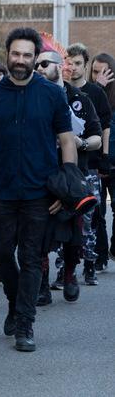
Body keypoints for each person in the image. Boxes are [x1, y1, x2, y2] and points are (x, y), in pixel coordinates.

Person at [0, 27, 77, 353]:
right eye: (16, 54)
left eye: (27, 55)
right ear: (7, 55)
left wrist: (66, 187)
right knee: (1, 253)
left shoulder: (51, 94)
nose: (20, 60)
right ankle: (15, 300)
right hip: (2, 192)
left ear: (35, 58)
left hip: (39, 193)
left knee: (32, 258)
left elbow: (66, 141)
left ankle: (25, 323)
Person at [33, 49, 100, 304]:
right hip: (41, 174)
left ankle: (70, 274)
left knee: (74, 235)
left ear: (60, 66)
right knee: (39, 233)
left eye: (44, 64)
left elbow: (96, 136)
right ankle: (42, 283)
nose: (39, 69)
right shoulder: (32, 97)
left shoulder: (80, 99)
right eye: (37, 65)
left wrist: (80, 143)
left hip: (72, 177)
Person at [65, 43, 112, 285]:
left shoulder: (94, 93)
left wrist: (104, 157)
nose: (73, 67)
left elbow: (104, 127)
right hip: (64, 167)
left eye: (77, 63)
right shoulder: (58, 91)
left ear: (85, 65)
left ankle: (91, 264)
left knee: (91, 217)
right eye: (69, 63)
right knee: (65, 217)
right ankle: (65, 268)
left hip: (90, 164)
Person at [90, 52, 115, 265]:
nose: (99, 76)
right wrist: (98, 86)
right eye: (95, 72)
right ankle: (100, 255)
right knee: (98, 211)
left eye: (104, 72)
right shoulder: (89, 93)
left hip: (114, 162)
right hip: (96, 162)